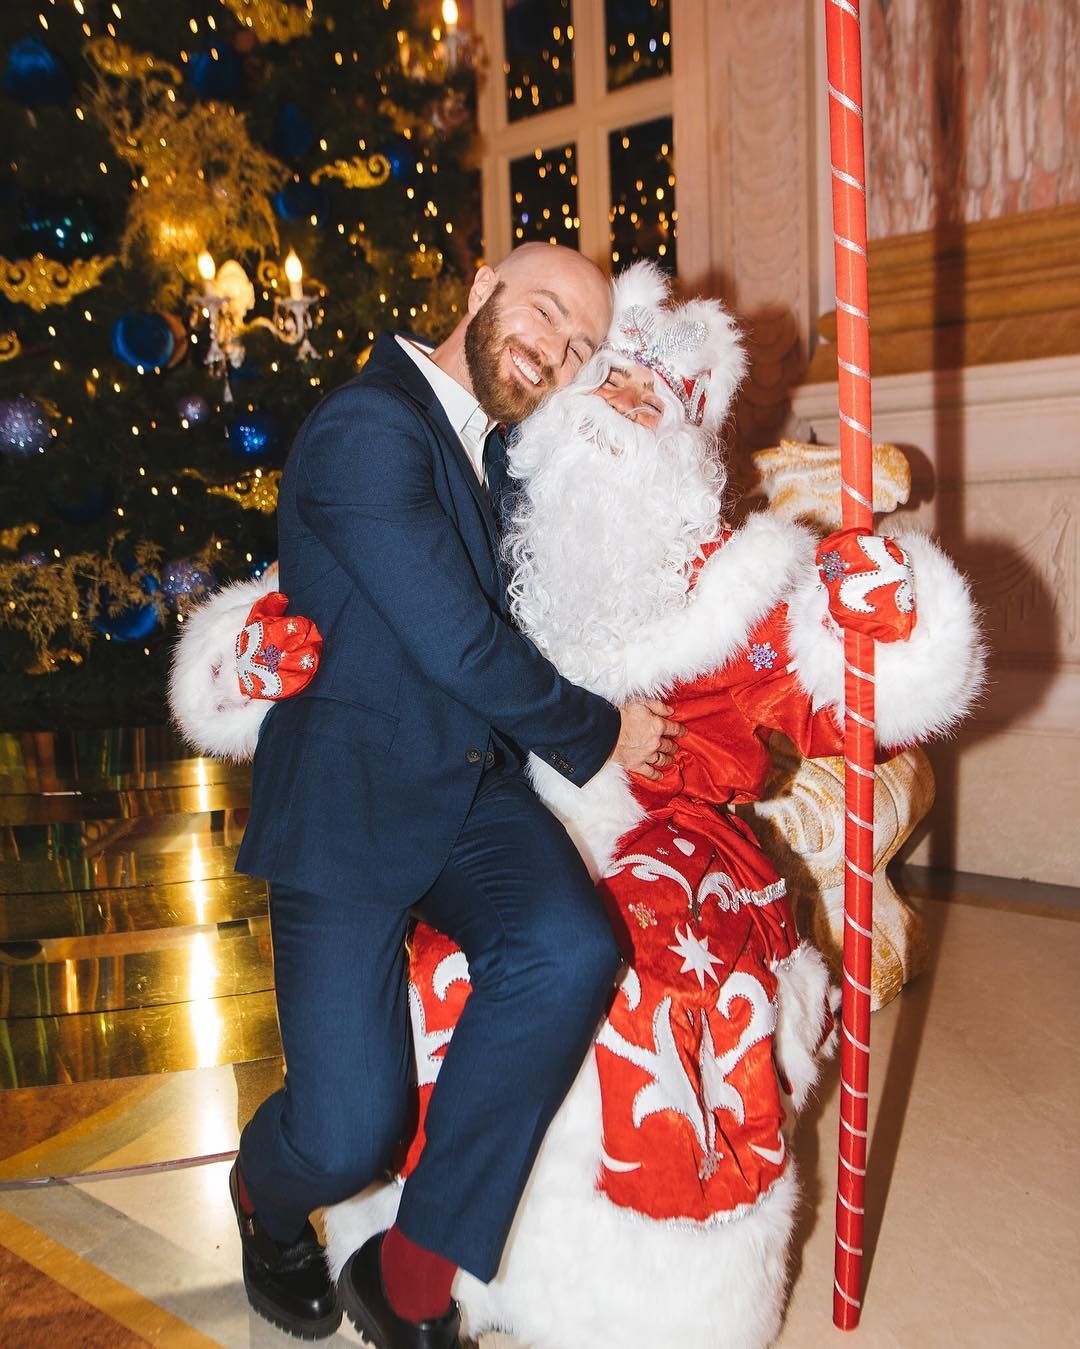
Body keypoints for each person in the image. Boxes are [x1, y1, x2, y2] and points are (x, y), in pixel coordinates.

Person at [318, 262, 985, 1348]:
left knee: (650, 979)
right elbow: (365, 606)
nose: (628, 405)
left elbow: (831, 684)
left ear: (690, 452)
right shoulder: (487, 516)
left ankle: (641, 1301)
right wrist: (260, 658)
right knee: (433, 960)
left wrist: (883, 616)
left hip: (671, 834)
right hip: (485, 809)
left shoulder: (726, 588)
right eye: (612, 381)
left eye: (658, 399)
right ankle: (435, 1257)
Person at [171, 244, 683, 1349]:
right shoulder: (367, 426)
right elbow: (459, 642)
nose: (555, 350)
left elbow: (572, 539)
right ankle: (263, 1196)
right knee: (350, 1135)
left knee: (569, 947)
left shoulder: (497, 446)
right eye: (544, 311)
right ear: (481, 284)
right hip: (349, 794)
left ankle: (410, 1274)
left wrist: (619, 426)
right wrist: (603, 730)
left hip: (470, 785)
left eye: (581, 346)